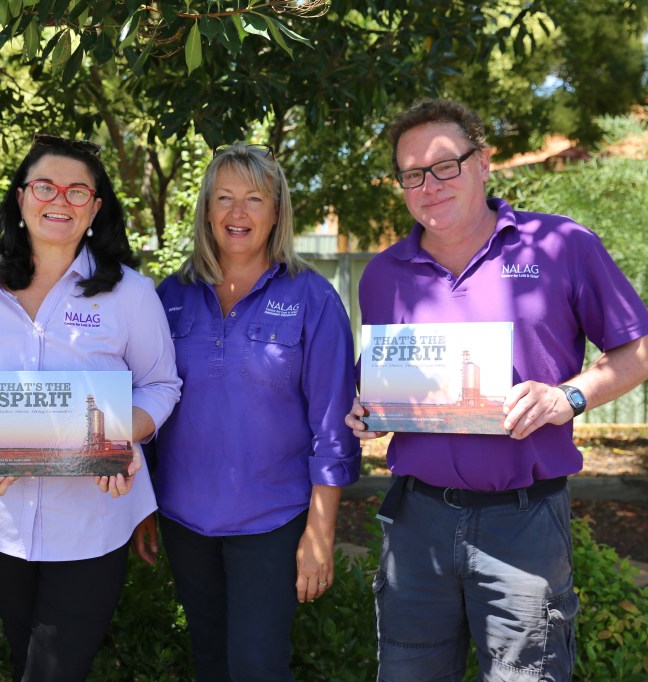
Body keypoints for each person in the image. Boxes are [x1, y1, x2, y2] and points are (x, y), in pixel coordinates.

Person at [345, 98, 648, 681]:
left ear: (483, 162)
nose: (429, 186)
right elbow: (383, 383)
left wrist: (567, 397)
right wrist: (368, 412)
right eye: (412, 174)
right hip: (416, 524)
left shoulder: (560, 246)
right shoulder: (384, 275)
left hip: (524, 522)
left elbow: (637, 350)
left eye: (445, 165)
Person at [0, 134, 181, 682]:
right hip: (0, 516)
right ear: (21, 197)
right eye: (45, 186)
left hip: (94, 516)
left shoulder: (130, 293)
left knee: (53, 669)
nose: (60, 200)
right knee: (26, 657)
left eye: (77, 190)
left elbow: (161, 385)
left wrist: (119, 433)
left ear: (95, 208)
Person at [132, 143, 361, 681]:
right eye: (224, 198)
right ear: (206, 209)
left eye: (254, 199)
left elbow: (333, 427)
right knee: (210, 660)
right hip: (184, 517)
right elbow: (145, 406)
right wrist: (142, 505)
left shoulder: (313, 298)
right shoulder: (169, 296)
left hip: (273, 519)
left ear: (277, 211)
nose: (238, 213)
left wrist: (320, 532)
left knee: (257, 665)